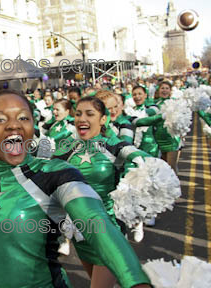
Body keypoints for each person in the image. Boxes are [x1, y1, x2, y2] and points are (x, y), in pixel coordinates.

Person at [0, 89, 151, 288]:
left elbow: (96, 223)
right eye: (0, 119)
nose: (13, 125)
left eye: (23, 118)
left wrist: (135, 281)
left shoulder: (54, 173)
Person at [54, 96, 153, 285]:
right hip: (80, 231)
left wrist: (142, 164)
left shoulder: (114, 145)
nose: (82, 118)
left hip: (109, 228)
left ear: (103, 119)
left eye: (89, 114)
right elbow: (40, 165)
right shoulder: (67, 147)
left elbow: (138, 155)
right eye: (78, 114)